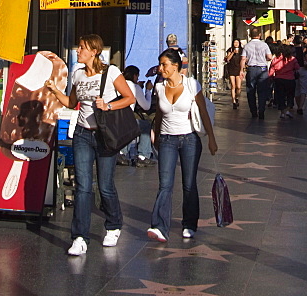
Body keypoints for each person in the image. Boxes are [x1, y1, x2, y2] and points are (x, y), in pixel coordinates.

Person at [45, 34, 134, 255]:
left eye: (82, 48)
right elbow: (72, 102)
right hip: (83, 134)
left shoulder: (111, 72)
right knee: (82, 187)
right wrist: (55, 91)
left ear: (94, 51)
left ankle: (113, 225)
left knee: (105, 186)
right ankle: (79, 237)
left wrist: (109, 106)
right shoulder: (77, 75)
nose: (78, 51)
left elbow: (129, 98)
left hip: (105, 135)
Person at [147, 49, 217, 243]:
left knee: (189, 184)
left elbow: (203, 111)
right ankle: (159, 226)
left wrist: (211, 138)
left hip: (189, 139)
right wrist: (157, 135)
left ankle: (189, 224)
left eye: (164, 65)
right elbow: (159, 114)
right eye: (160, 65)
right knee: (165, 184)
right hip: (167, 139)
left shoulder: (191, 85)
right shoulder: (159, 87)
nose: (161, 69)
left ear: (175, 66)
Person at [118, 65, 155, 167]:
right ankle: (143, 156)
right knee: (145, 125)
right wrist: (148, 91)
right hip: (127, 119)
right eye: (137, 76)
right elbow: (146, 106)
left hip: (115, 118)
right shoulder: (135, 87)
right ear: (134, 76)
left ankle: (121, 152)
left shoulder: (119, 83)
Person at [240, 28, 273, 120]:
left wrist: (241, 70)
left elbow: (243, 59)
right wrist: (264, 59)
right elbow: (269, 57)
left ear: (250, 35)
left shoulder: (247, 46)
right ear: (259, 35)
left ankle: (253, 111)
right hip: (262, 69)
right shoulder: (264, 45)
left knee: (251, 90)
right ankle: (261, 110)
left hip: (251, 69)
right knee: (262, 91)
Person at [269, 44, 300, 118]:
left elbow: (272, 70)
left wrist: (270, 77)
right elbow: (297, 67)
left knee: (281, 96)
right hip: (290, 79)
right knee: (290, 95)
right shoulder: (292, 59)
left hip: (279, 79)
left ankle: (282, 112)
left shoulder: (276, 59)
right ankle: (288, 110)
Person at [293, 36, 307, 114]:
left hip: (294, 70)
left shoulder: (291, 50)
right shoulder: (304, 50)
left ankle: (297, 105)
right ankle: (300, 107)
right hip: (303, 69)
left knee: (296, 89)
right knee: (303, 89)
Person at [224, 39, 243, 109]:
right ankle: (233, 101)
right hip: (231, 69)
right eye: (234, 42)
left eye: (237, 42)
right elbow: (228, 59)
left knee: (238, 87)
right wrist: (232, 53)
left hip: (238, 69)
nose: (236, 44)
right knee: (233, 86)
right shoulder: (230, 49)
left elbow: (244, 59)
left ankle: (237, 97)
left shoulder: (242, 50)